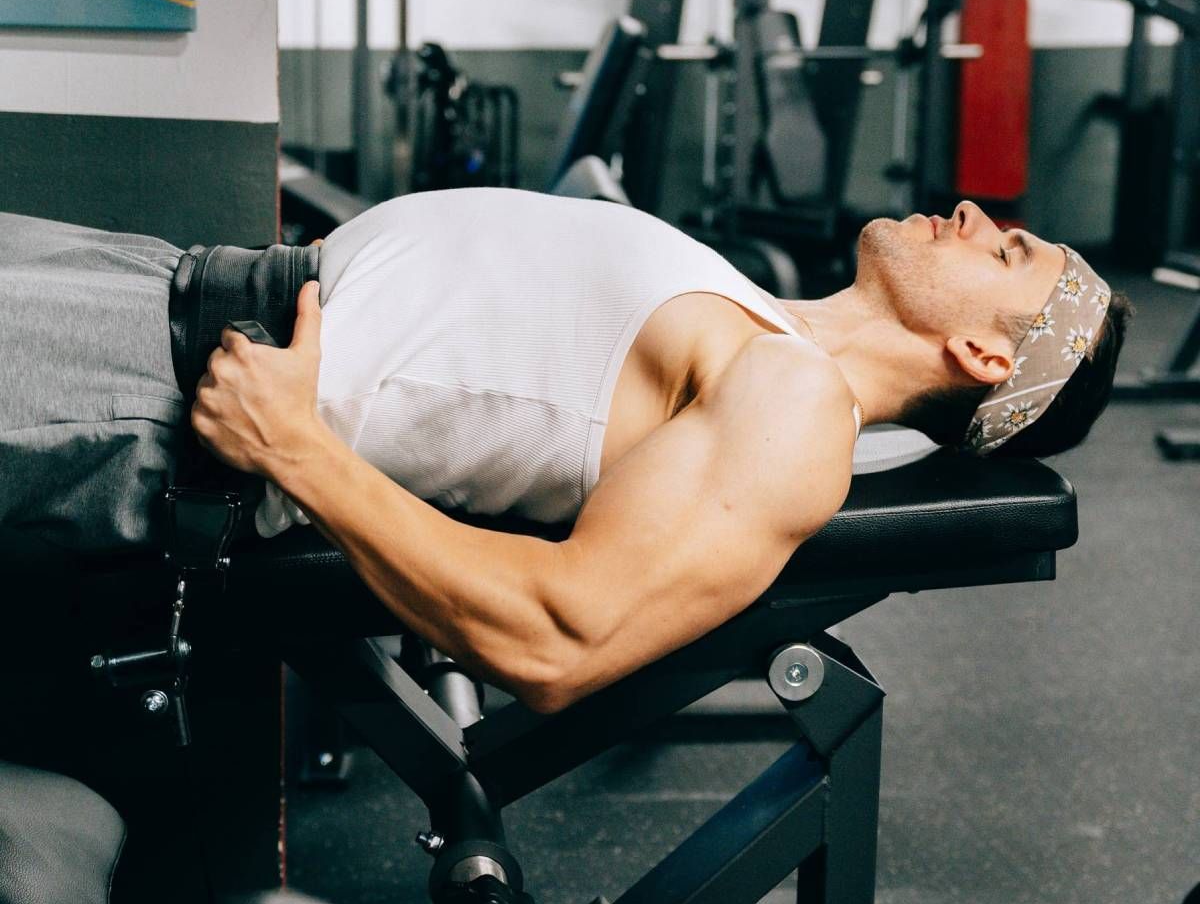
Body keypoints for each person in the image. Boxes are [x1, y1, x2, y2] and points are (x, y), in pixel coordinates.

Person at [0, 190, 1128, 711]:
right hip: (156, 281)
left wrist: (296, 451)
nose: (973, 211)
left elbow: (558, 640)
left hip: (143, 387)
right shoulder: (765, 325)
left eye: (1005, 251)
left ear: (985, 355)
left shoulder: (795, 406)